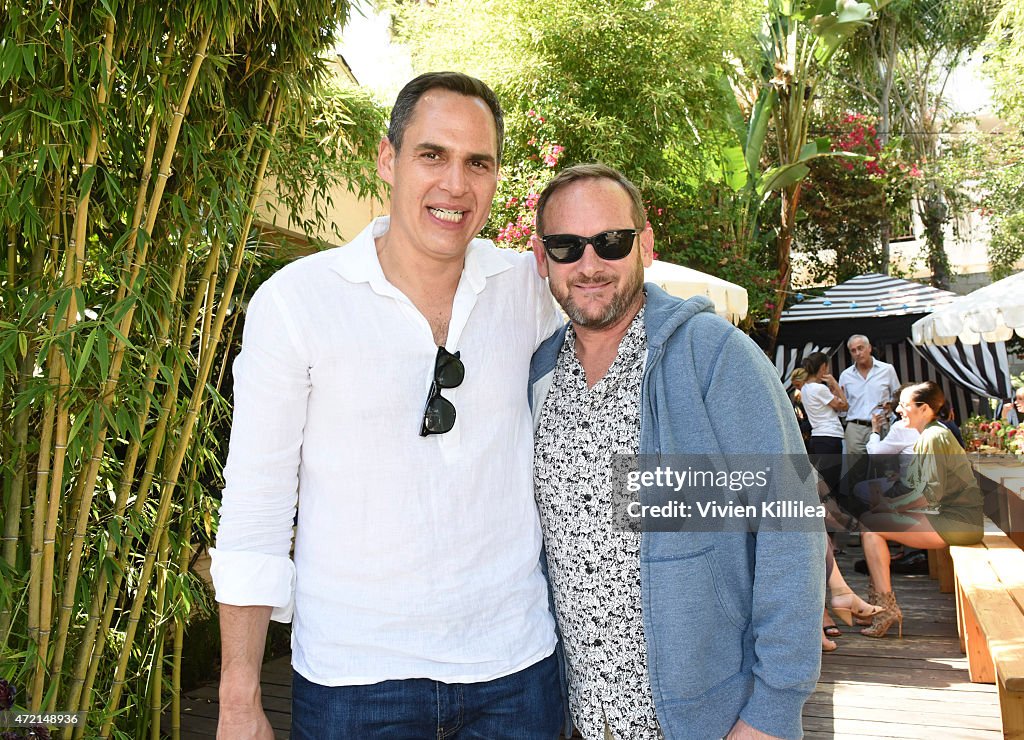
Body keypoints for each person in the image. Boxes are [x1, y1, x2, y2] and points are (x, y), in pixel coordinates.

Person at [210, 72, 565, 739]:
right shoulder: (297, 303)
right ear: (387, 158)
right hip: (355, 681)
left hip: (516, 671)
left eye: (478, 163)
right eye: (433, 154)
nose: (455, 185)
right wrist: (238, 698)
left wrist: (784, 533)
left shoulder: (529, 288)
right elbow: (256, 507)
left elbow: (647, 332)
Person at [528, 163, 825, 740]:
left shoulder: (713, 358)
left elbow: (790, 524)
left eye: (610, 242)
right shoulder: (541, 373)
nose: (589, 265)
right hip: (586, 718)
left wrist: (772, 709)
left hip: (709, 720)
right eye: (566, 247)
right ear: (544, 260)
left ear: (644, 244)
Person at [858, 381, 984, 639]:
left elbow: (929, 495)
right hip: (952, 518)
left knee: (871, 527)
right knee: (870, 524)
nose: (899, 410)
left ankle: (883, 610)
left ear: (924, 408)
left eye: (904, 405)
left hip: (957, 523)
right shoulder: (933, 433)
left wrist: (891, 505)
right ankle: (882, 608)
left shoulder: (933, 437)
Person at [838, 335, 900, 501]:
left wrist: (891, 405)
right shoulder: (845, 375)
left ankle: (884, 509)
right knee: (855, 471)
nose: (858, 353)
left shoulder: (887, 369)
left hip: (880, 424)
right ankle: (856, 512)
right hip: (855, 426)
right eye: (853, 350)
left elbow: (898, 396)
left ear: (869, 348)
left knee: (884, 469)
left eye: (860, 348)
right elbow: (843, 406)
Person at [800, 352, 848, 503]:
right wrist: (834, 383)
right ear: (823, 367)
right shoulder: (819, 388)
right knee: (831, 481)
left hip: (817, 436)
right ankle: (834, 518)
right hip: (830, 436)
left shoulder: (805, 388)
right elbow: (844, 406)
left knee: (821, 481)